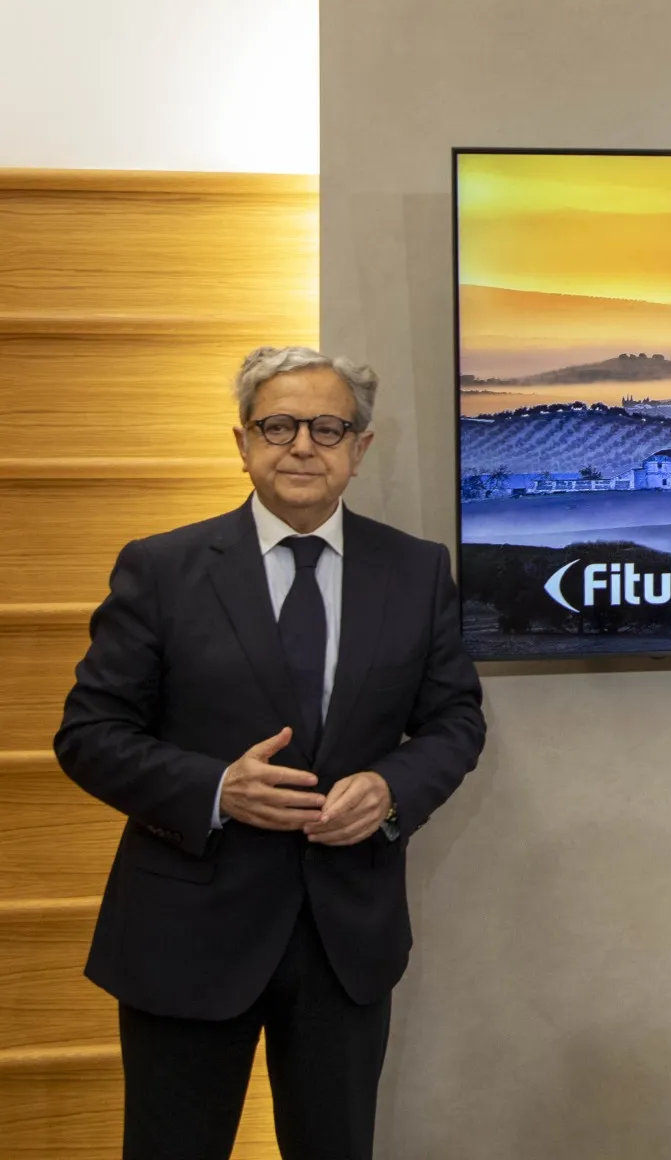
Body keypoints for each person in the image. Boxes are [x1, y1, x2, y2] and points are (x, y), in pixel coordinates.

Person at [54, 346, 486, 1160]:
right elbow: (89, 734)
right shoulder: (163, 568)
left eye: (328, 428)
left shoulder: (416, 571)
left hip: (343, 940)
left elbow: (455, 720)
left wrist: (391, 790)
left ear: (359, 449)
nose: (302, 446)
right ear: (242, 443)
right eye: (278, 425)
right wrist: (217, 788)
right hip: (185, 931)